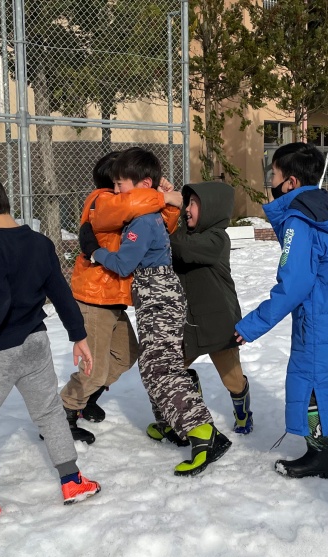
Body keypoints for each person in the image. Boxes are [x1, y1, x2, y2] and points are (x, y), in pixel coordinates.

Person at [0, 165, 100, 538]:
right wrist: (79, 335)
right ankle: (72, 481)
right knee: (48, 413)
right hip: (35, 343)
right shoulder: (40, 242)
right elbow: (60, 292)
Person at [81, 147, 232, 476]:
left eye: (121, 185)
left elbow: (123, 264)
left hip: (158, 296)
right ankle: (171, 424)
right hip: (156, 295)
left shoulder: (142, 222)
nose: (118, 191)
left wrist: (93, 251)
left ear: (143, 184)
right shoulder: (145, 218)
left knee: (159, 368)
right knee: (156, 363)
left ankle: (204, 433)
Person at [235, 142, 328, 479]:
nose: (269, 180)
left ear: (291, 183)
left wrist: (251, 326)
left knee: (314, 380)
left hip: (323, 315)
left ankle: (318, 456)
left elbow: (294, 284)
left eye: (273, 174)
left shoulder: (300, 222)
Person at [57, 151, 179, 444]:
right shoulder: (102, 200)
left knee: (126, 355)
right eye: (119, 180)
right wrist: (162, 197)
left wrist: (167, 199)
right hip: (95, 294)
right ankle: (63, 413)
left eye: (121, 182)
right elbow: (133, 203)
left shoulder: (133, 205)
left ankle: (86, 395)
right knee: (95, 368)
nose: (118, 187)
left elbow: (161, 227)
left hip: (113, 296)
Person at [144, 181, 254, 443]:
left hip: (219, 322)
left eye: (193, 204)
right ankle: (178, 420)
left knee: (233, 379)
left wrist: (172, 205)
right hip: (187, 323)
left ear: (212, 209)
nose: (187, 210)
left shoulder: (217, 239)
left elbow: (182, 248)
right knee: (167, 372)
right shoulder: (186, 234)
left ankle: (243, 413)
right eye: (187, 203)